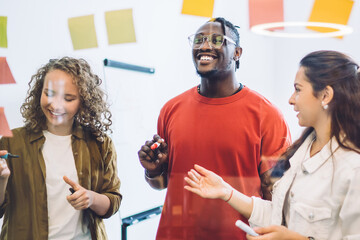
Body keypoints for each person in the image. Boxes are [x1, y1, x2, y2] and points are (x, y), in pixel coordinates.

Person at [138, 17, 291, 240]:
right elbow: (162, 185)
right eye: (198, 40)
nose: (205, 46)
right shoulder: (171, 110)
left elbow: (275, 195)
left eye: (217, 39)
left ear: (237, 53)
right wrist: (152, 170)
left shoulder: (267, 115)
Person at [184, 50, 360, 240]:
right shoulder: (302, 151)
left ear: (325, 95)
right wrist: (227, 192)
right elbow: (278, 214)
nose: (291, 99)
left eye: (298, 89)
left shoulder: (353, 167)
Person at [0, 57, 122, 240]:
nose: (55, 105)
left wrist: (91, 198)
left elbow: (113, 201)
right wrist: (2, 180)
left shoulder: (100, 144)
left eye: (68, 98)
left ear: (83, 101)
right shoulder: (13, 141)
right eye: (49, 93)